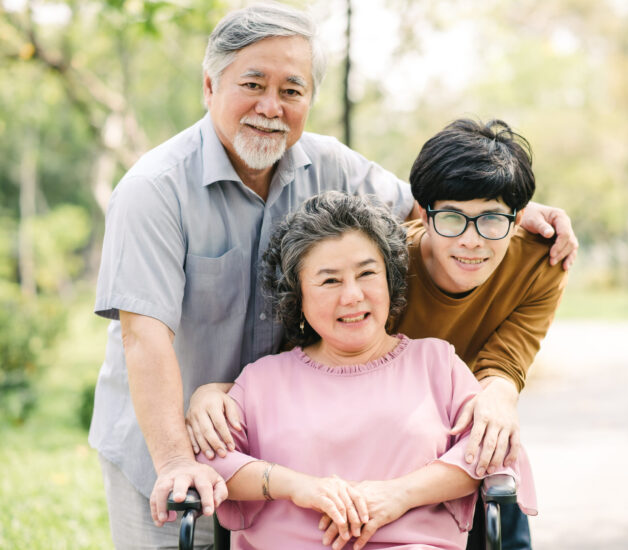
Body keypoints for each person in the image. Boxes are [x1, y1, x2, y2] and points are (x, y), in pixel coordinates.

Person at [91, 3, 576, 548]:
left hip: (285, 444)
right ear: (209, 85)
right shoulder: (153, 189)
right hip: (171, 440)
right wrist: (177, 458)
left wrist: (514, 214)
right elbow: (143, 334)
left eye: (292, 91)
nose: (271, 107)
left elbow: (428, 204)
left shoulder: (334, 166)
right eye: (252, 83)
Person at [189, 118, 565, 549]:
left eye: (493, 219)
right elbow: (284, 375)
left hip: (423, 511)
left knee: (499, 479)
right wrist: (213, 396)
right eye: (453, 217)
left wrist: (496, 400)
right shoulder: (382, 255)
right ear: (422, 213)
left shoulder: (537, 266)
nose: (472, 240)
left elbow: (507, 362)